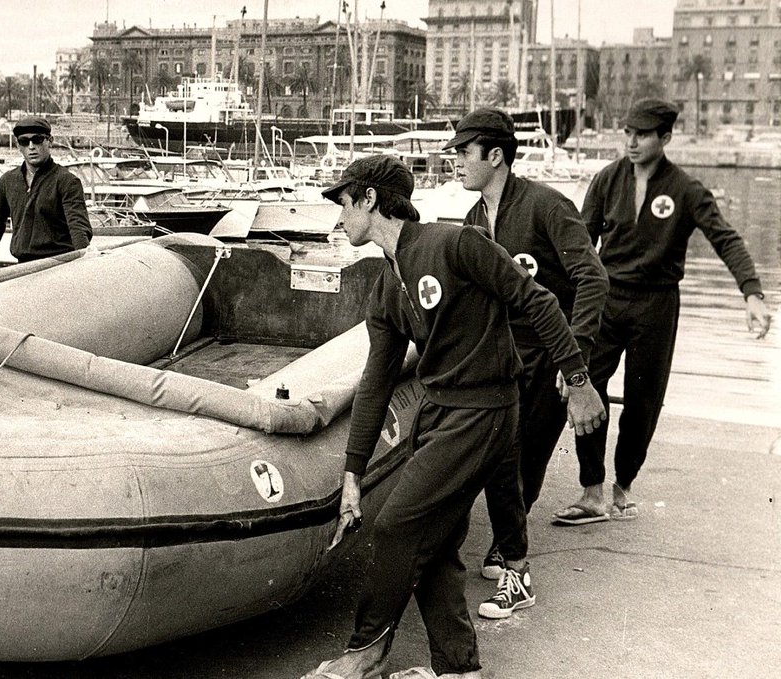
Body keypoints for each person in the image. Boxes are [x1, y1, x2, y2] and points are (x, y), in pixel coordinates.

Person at [300, 155, 606, 679]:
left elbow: (540, 301)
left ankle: (366, 650)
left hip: (485, 410)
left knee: (397, 525)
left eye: (342, 201)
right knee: (435, 541)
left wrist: (577, 382)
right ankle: (460, 668)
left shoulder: (455, 244)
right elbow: (375, 383)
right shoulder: (387, 285)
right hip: (441, 413)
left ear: (369, 199)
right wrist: (352, 474)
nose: (337, 215)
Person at [553, 99, 772, 526]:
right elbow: (578, 244)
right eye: (628, 132)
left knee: (643, 400)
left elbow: (726, 239)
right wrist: (563, 301)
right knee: (586, 386)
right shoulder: (607, 179)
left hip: (656, 304)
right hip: (607, 299)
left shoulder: (687, 189)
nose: (631, 142)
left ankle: (622, 488)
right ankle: (591, 490)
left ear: (665, 137)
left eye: (642, 134)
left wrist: (752, 294)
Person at [445, 108, 609, 620]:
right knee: (500, 459)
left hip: (550, 355)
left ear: (495, 156)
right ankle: (506, 545)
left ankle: (514, 566)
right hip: (504, 358)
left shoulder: (545, 206)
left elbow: (593, 279)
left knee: (525, 460)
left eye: (463, 152)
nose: (455, 162)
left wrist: (573, 358)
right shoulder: (474, 220)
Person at [0, 115, 91, 269]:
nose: (31, 146)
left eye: (37, 140)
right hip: (23, 267)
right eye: (24, 141)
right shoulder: (8, 181)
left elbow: (78, 225)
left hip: (58, 266)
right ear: (18, 145)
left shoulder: (67, 181)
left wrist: (85, 261)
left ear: (50, 141)